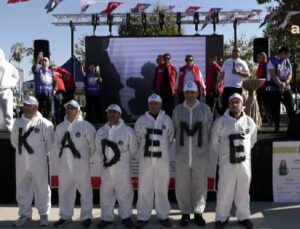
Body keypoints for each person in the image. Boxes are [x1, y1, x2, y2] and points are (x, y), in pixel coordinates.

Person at [210, 93, 257, 229]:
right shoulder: (221, 122)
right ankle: (221, 218)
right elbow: (214, 142)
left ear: (242, 105)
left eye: (238, 102)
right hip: (227, 164)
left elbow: (252, 141)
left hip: (244, 164)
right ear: (229, 104)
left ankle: (243, 217)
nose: (235, 105)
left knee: (243, 191)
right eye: (232, 102)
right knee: (225, 190)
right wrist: (224, 155)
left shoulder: (249, 122)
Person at [172, 82, 212, 227]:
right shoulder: (177, 110)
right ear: (184, 94)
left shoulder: (205, 109)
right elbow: (175, 129)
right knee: (182, 185)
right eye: (187, 92)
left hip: (200, 155)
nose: (189, 95)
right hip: (182, 155)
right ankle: (185, 213)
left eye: (192, 92)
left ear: (197, 93)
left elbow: (209, 130)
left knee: (200, 185)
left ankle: (198, 213)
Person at [10, 96, 54, 227]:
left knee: (42, 187)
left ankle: (44, 214)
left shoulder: (45, 123)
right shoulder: (17, 123)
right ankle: (24, 214)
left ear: (36, 107)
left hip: (38, 162)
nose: (27, 107)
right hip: (21, 161)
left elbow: (50, 145)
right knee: (22, 187)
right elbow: (14, 141)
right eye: (25, 105)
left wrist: (39, 155)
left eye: (30, 105)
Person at [52, 100, 96, 228]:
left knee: (85, 190)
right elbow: (57, 145)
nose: (70, 110)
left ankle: (87, 216)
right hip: (65, 165)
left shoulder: (86, 126)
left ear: (78, 110)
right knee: (64, 191)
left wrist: (83, 158)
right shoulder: (60, 127)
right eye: (68, 108)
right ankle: (65, 216)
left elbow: (93, 147)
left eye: (72, 108)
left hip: (81, 165)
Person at [134, 94, 174, 229]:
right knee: (144, 188)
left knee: (162, 188)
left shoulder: (167, 120)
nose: (153, 105)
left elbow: (169, 139)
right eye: (151, 103)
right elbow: (138, 139)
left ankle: (163, 215)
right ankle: (143, 216)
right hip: (146, 161)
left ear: (160, 105)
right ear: (148, 105)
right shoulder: (141, 120)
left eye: (156, 103)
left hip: (162, 160)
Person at [95, 104, 137, 228]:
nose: (111, 115)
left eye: (114, 112)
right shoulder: (101, 130)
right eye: (109, 112)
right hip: (106, 169)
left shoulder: (127, 130)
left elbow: (133, 148)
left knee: (125, 193)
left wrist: (123, 160)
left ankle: (126, 217)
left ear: (119, 114)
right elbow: (98, 149)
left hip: (122, 169)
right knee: (105, 193)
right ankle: (107, 217)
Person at [265, 45, 295, 132]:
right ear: (283, 53)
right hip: (274, 87)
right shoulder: (272, 61)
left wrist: (285, 83)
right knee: (275, 108)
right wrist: (279, 84)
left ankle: (294, 126)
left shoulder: (287, 61)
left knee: (290, 106)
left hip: (286, 86)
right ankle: (277, 127)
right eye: (287, 54)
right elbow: (273, 75)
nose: (288, 56)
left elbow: (290, 74)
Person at [219, 47, 250, 114]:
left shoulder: (242, 62)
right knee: (225, 106)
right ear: (232, 52)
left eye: (237, 51)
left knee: (237, 107)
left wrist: (238, 72)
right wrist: (217, 83)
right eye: (234, 51)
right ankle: (224, 122)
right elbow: (222, 74)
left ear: (239, 53)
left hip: (237, 88)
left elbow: (248, 74)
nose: (235, 52)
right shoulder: (226, 62)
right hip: (227, 87)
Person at [0, 48, 20, 132]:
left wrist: (10, 84)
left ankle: (10, 129)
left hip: (5, 90)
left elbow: (16, 76)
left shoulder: (7, 65)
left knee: (7, 111)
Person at [256, 52, 269, 123]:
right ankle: (263, 117)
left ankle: (266, 117)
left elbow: (265, 77)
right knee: (260, 103)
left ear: (263, 58)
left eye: (259, 57)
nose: (257, 58)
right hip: (260, 87)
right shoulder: (260, 65)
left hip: (264, 87)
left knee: (264, 103)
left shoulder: (265, 65)